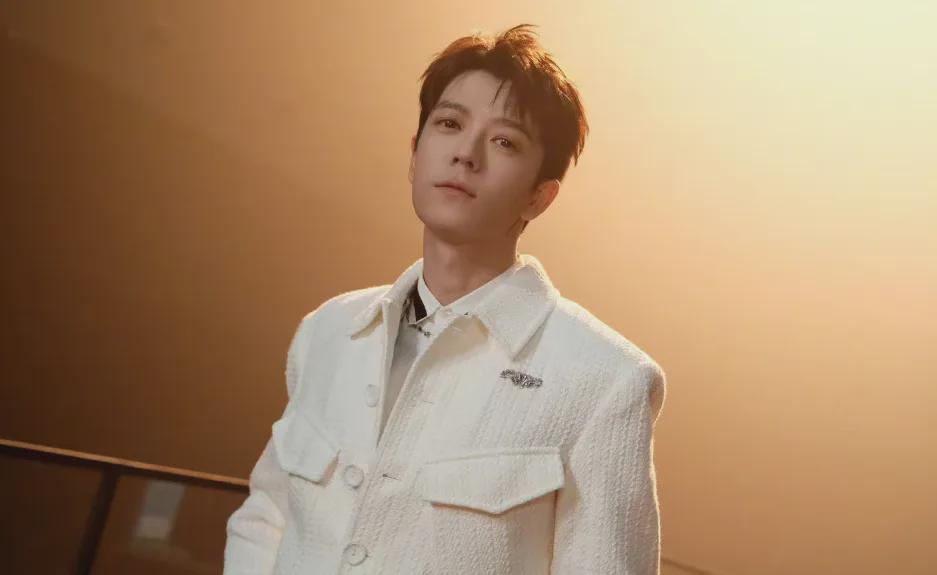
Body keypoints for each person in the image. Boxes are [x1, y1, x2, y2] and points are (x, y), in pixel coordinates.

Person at [224, 23, 667, 575]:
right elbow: (268, 515)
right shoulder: (328, 330)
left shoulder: (605, 380)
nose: (465, 154)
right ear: (415, 155)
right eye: (450, 124)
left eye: (504, 142)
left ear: (539, 197)